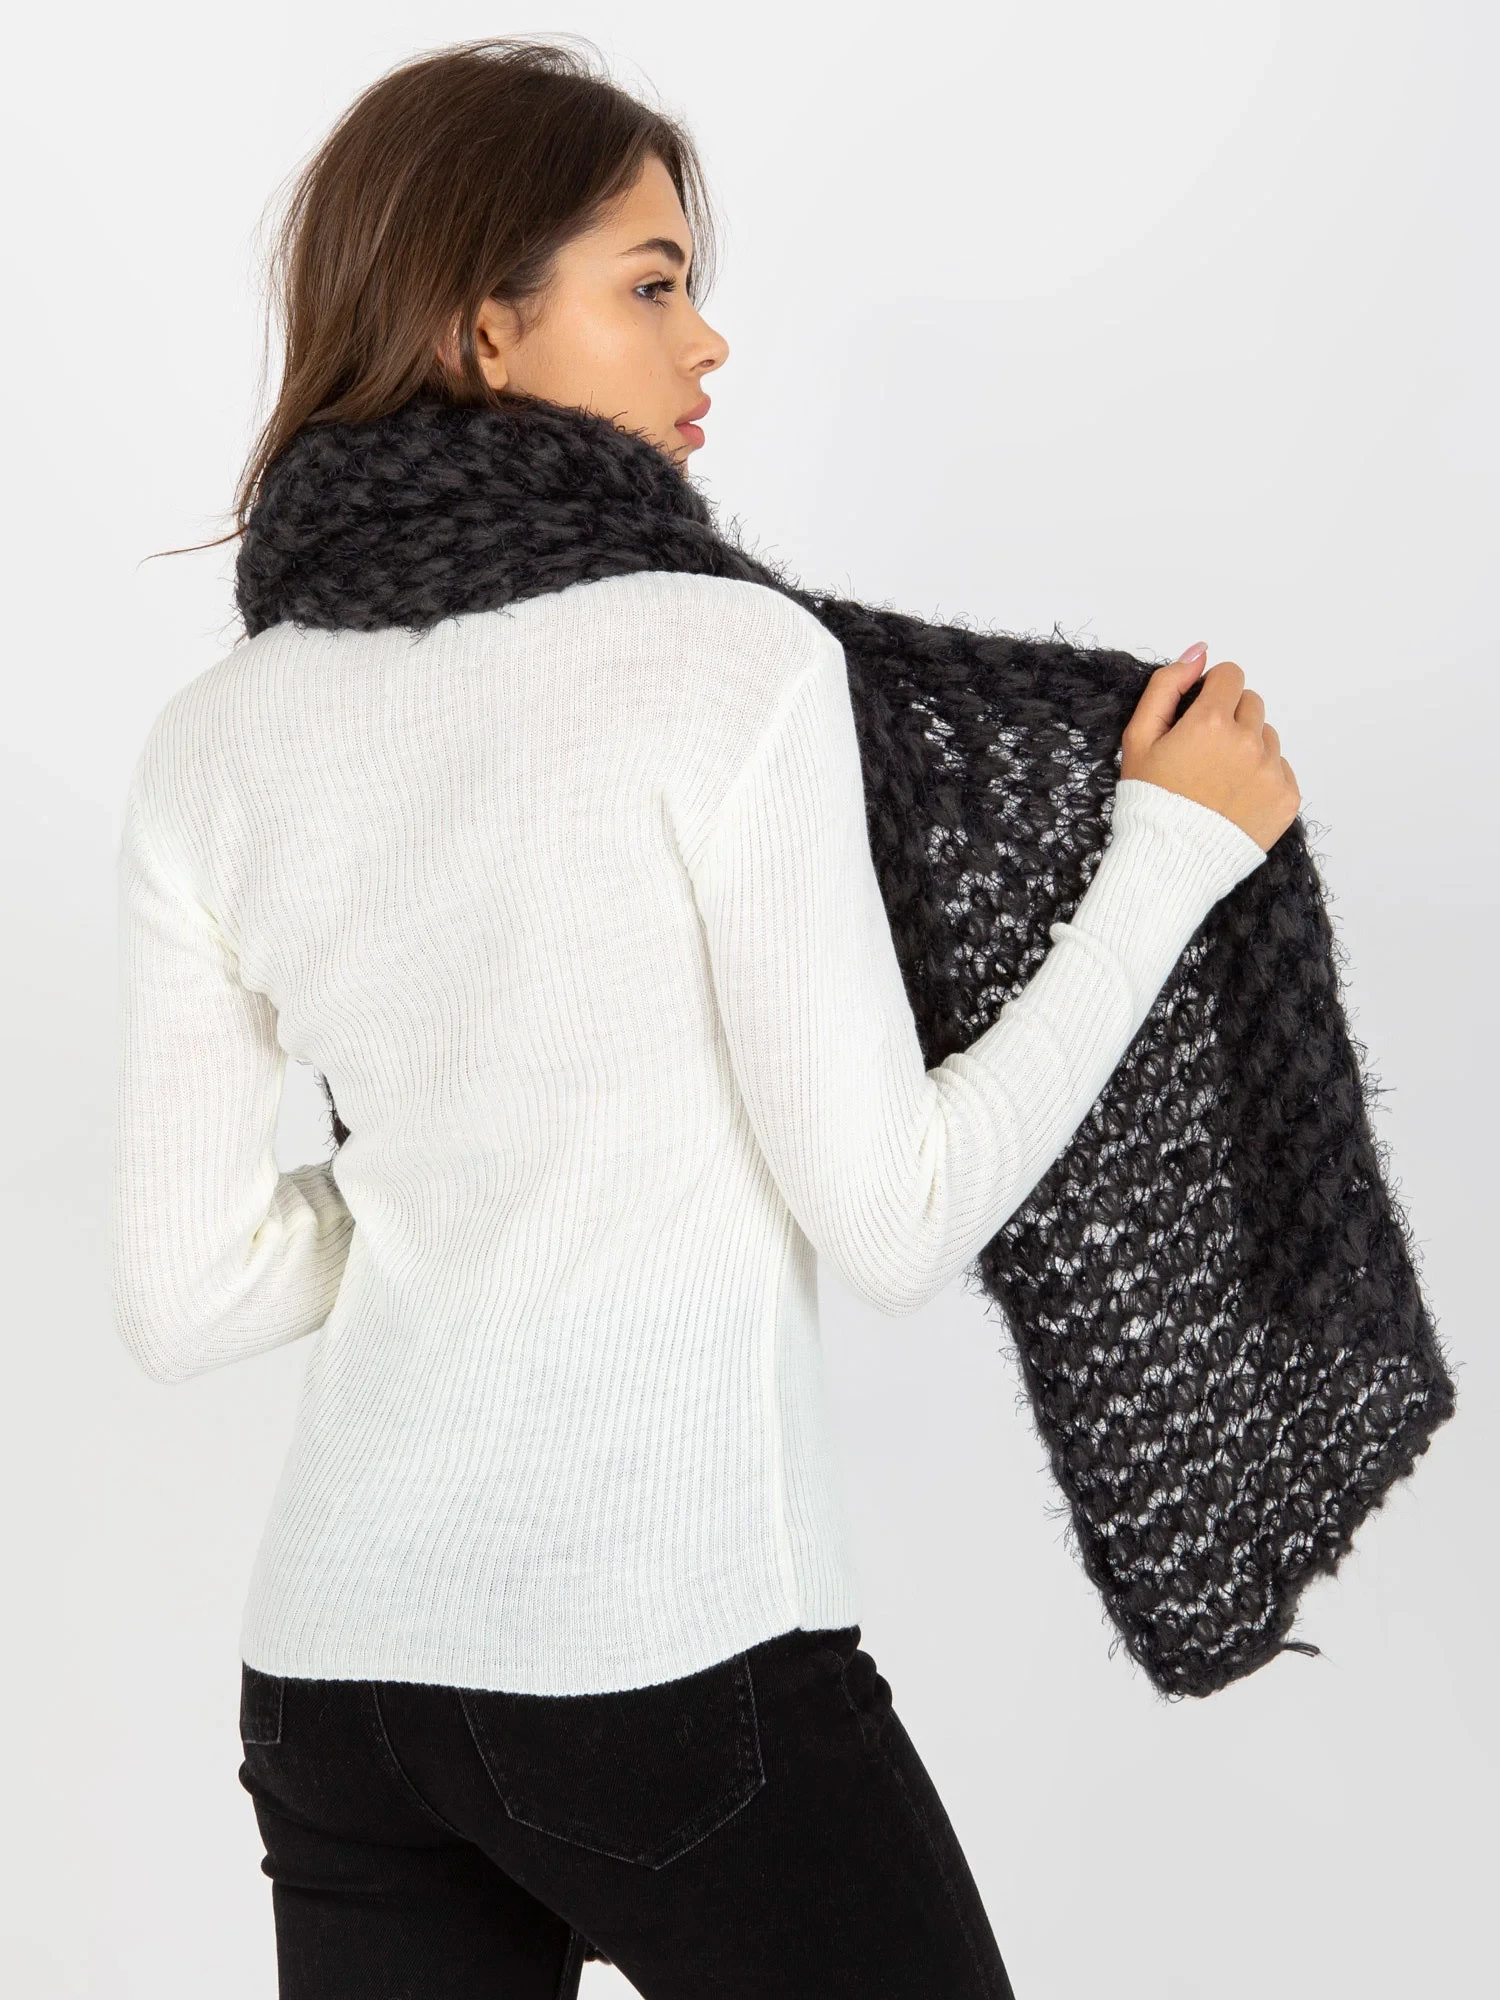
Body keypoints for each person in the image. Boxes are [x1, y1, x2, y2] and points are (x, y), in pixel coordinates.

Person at [111, 36, 1300, 2000]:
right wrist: (1168, 857)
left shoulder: (213, 737)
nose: (709, 339)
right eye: (652, 283)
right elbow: (896, 1214)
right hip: (660, 1649)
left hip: (337, 1681)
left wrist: (453, 1176)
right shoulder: (726, 664)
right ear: (486, 327)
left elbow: (184, 1293)